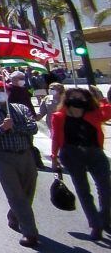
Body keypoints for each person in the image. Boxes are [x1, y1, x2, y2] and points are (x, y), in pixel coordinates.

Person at [0, 80, 41, 248]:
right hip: (2, 157)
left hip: (25, 154)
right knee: (16, 194)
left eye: (2, 90)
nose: (0, 93)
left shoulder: (21, 109)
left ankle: (14, 215)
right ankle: (30, 232)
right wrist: (1, 128)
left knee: (28, 190)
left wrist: (13, 127)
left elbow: (33, 127)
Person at [50, 87, 111, 241]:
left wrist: (101, 97)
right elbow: (56, 137)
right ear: (67, 99)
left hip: (95, 153)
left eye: (82, 97)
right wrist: (54, 158)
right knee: (83, 190)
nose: (78, 100)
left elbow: (108, 111)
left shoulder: (94, 113)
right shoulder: (59, 116)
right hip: (72, 154)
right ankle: (95, 224)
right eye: (74, 97)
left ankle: (105, 219)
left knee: (105, 189)